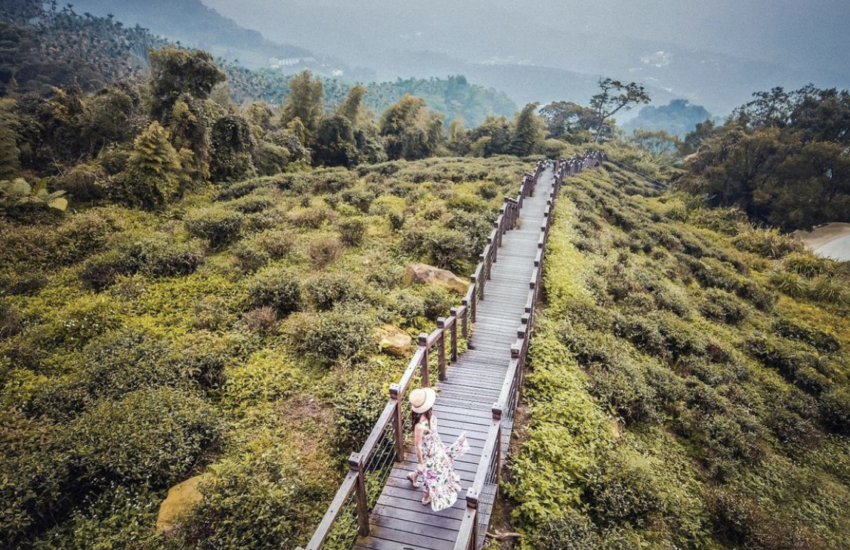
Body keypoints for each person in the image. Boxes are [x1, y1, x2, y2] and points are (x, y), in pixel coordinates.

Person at [407, 387, 469, 511]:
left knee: (440, 466)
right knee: (430, 472)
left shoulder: (431, 416)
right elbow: (418, 446)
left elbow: (435, 434)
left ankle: (413, 475)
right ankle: (426, 497)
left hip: (437, 447)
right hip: (428, 452)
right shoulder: (419, 426)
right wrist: (420, 463)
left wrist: (441, 445)